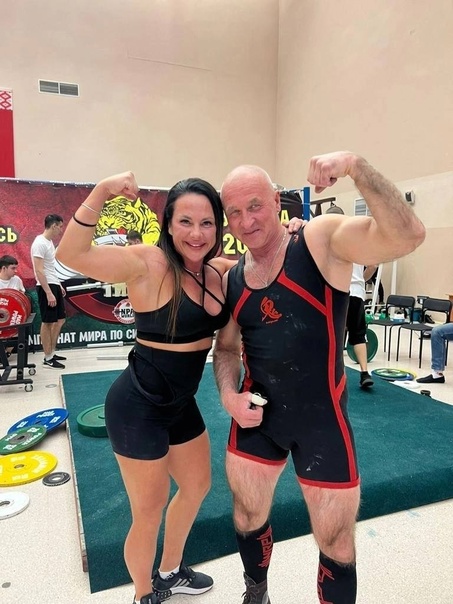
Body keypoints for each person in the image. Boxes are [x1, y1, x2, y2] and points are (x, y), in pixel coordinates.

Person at [56, 173, 305, 604]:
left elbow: (271, 262)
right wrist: (102, 190)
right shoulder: (147, 263)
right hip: (137, 407)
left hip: (181, 405)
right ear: (168, 224)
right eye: (185, 222)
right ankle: (143, 594)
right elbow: (70, 253)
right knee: (148, 510)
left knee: (196, 487)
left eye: (207, 223)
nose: (196, 233)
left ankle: (170, 572)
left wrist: (292, 236)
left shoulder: (220, 271)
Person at [213, 151, 425, 604]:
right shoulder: (233, 279)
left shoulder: (318, 241)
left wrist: (354, 166)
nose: (247, 221)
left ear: (277, 201)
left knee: (336, 542)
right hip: (258, 418)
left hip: (321, 420)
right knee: (247, 513)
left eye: (255, 205)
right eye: (235, 212)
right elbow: (226, 348)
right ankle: (256, 592)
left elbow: (408, 235)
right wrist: (229, 396)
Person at [325, 207, 376, 388]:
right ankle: (364, 372)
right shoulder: (357, 241)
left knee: (333, 335)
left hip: (338, 292)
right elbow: (372, 267)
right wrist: (361, 279)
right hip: (357, 293)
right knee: (358, 335)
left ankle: (334, 374)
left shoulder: (328, 240)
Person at [30, 214, 67, 369]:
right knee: (47, 322)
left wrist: (58, 285)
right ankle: (47, 358)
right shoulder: (39, 243)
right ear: (53, 226)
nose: (61, 230)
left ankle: (51, 351)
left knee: (60, 320)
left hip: (53, 283)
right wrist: (48, 292)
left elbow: (50, 267)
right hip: (45, 286)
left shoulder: (49, 242)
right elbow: (39, 270)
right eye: (60, 226)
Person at [0, 255, 26, 357]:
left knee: (19, 324)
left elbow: (22, 298)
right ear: (4, 268)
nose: (16, 271)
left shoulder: (17, 280)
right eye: (13, 268)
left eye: (16, 268)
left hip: (13, 315)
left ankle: (7, 352)